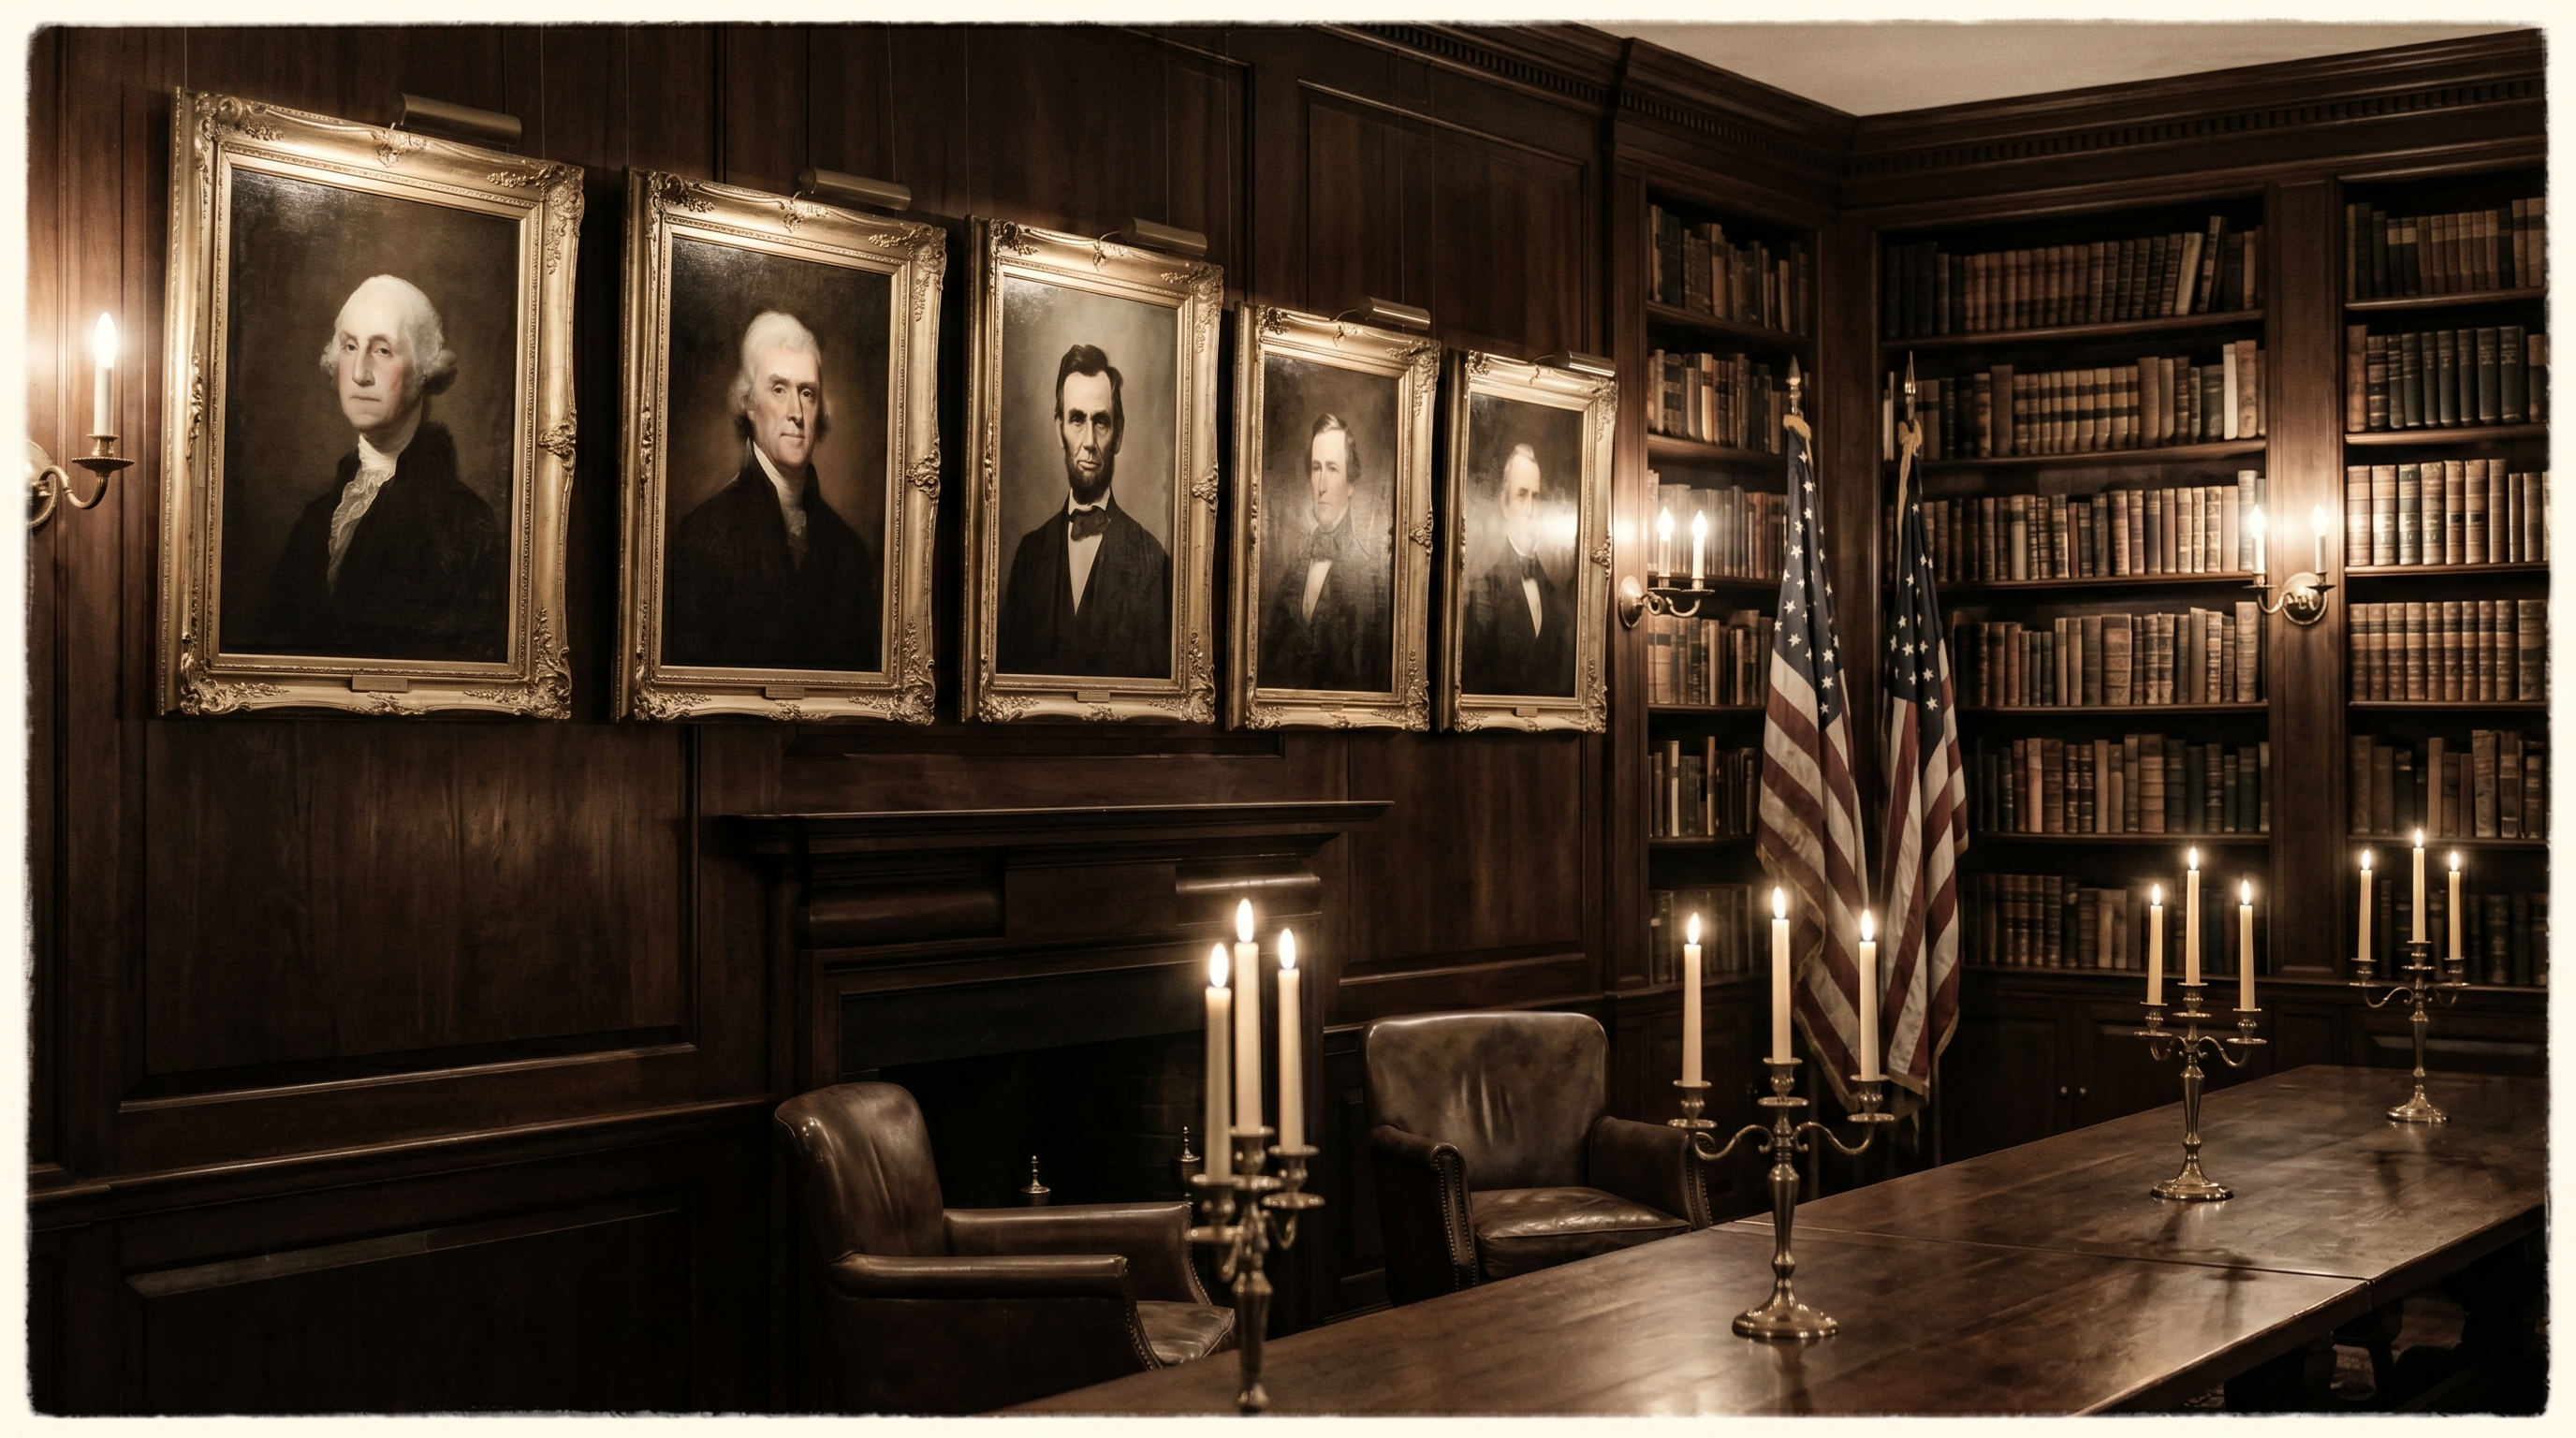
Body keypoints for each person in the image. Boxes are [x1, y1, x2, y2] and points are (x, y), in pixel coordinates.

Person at [257, 275, 506, 662]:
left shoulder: (466, 523)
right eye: (350, 346)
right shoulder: (315, 521)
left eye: (383, 350)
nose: (359, 372)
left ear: (426, 368)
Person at [663, 310, 882, 672]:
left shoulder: (850, 553)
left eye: (807, 393)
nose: (796, 411)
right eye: (779, 389)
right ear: (748, 402)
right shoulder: (702, 537)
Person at [997, 344, 1171, 678]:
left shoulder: (1153, 561)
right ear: (1058, 427)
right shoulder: (1029, 556)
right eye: (1077, 420)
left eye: (1101, 422)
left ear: (1118, 434)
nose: (1089, 441)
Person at [1259, 413, 1389, 693]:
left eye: (1333, 469)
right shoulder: (1295, 568)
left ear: (1351, 483)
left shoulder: (1371, 576)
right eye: (1316, 469)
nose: (1321, 486)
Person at [1461, 442, 1573, 697]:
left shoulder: (1555, 595)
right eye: (1522, 495)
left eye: (1536, 497)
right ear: (1504, 504)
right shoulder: (1483, 588)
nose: (1531, 510)